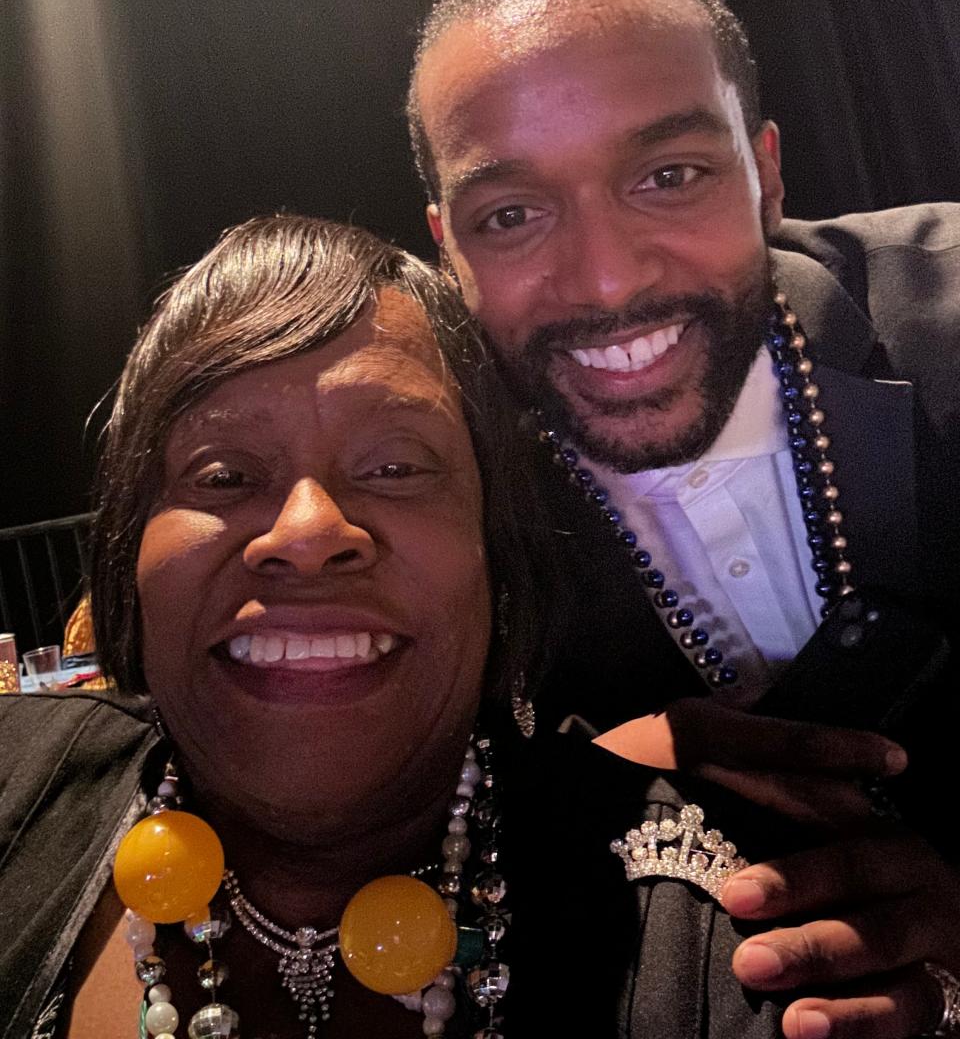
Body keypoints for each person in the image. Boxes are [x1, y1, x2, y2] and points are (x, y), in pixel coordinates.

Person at [2, 213, 872, 1039]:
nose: (307, 534)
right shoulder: (16, 786)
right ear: (127, 553)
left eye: (394, 466)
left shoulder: (723, 929)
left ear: (500, 556)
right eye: (224, 475)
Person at [407, 0, 960, 1039]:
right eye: (511, 214)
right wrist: (602, 751)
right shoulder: (438, 473)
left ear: (765, 172)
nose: (607, 277)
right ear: (447, 244)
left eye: (669, 175)